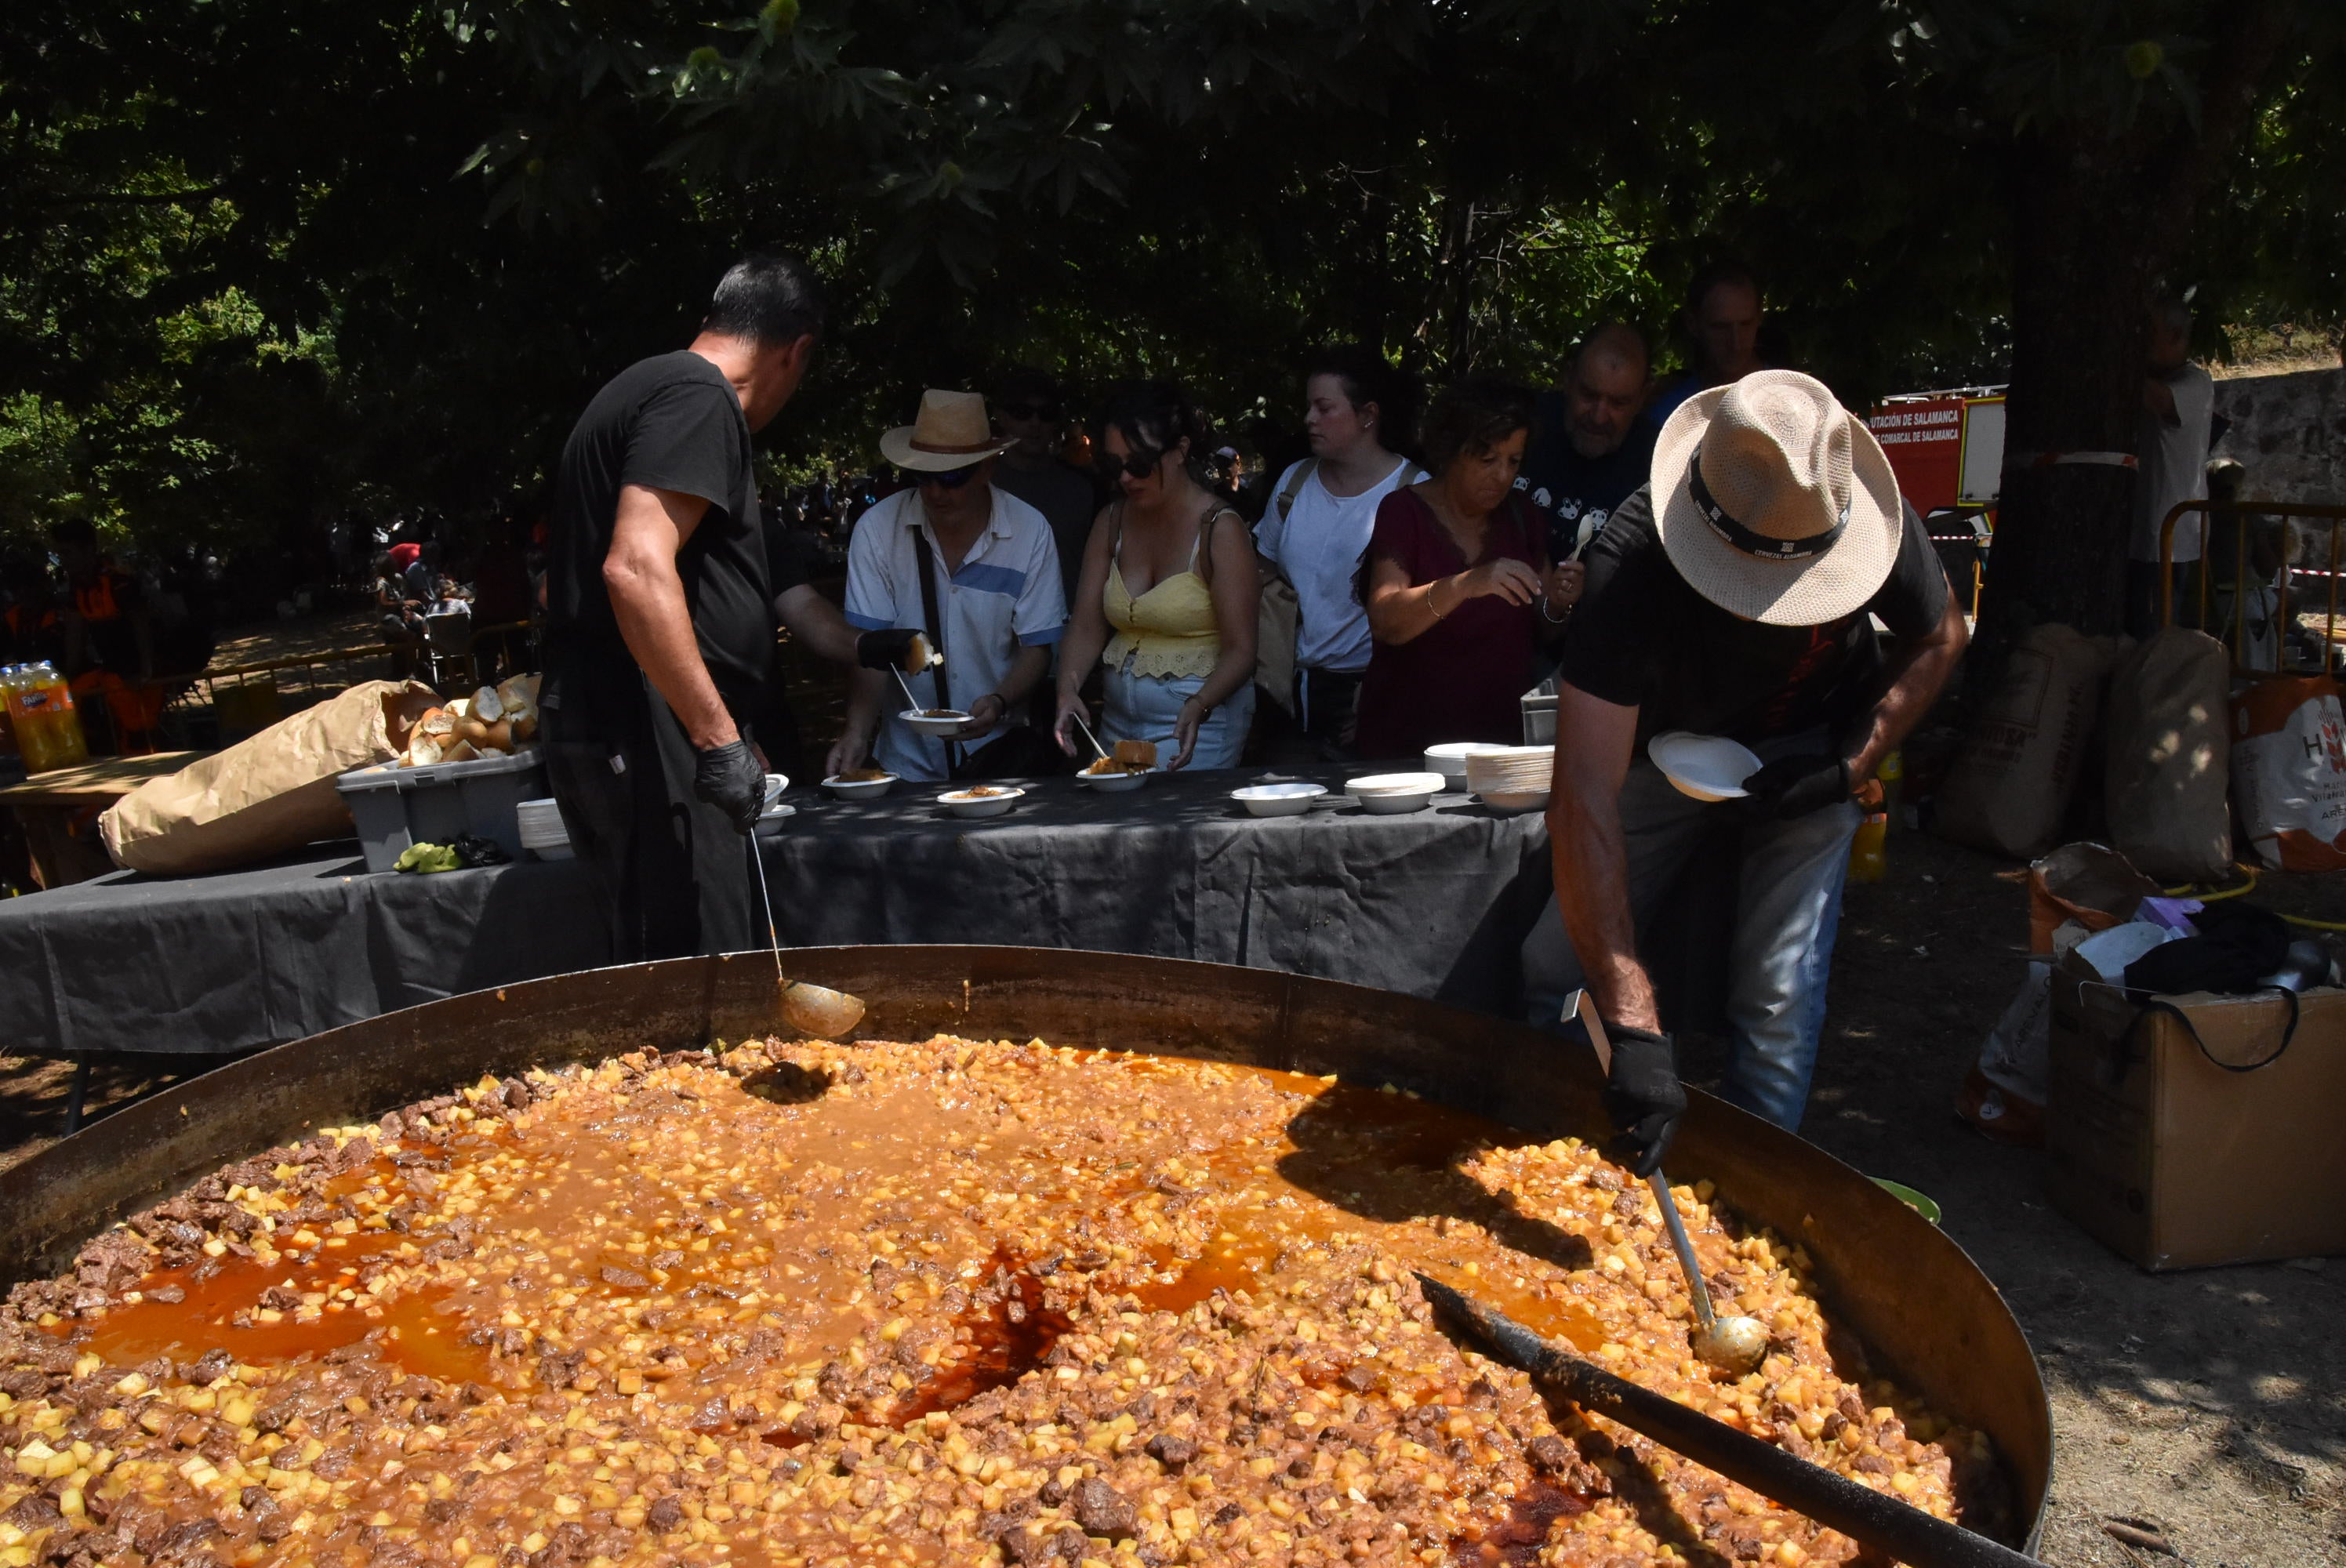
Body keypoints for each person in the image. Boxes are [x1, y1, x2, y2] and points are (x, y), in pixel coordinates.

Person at [1521, 369, 1968, 1164]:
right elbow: (1583, 794)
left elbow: (1942, 636)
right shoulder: (1630, 565)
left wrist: (1848, 763)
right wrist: (1632, 1026)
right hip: (1665, 752)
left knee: (1776, 993)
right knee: (1552, 959)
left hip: (1816, 745)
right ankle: (1550, 1139)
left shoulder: (1875, 520)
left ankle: (1755, 1201)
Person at [541, 250, 824, 962]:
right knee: (701, 976)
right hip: (641, 734)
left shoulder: (648, 388)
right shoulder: (699, 398)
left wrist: (723, 719)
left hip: (634, 721)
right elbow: (634, 568)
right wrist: (716, 739)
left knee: (672, 964)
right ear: (797, 353)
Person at [833, 389, 1068, 782]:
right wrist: (856, 733)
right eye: (923, 477)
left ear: (989, 468)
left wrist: (1000, 700)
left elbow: (1037, 647)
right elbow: (870, 647)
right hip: (904, 760)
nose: (936, 493)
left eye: (952, 478)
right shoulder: (877, 530)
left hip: (999, 757)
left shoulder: (1030, 531)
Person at [1350, 376, 1581, 760]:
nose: (1502, 476)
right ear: (1451, 451)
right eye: (1487, 459)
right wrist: (1465, 585)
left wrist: (1559, 604)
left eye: (1513, 461)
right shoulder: (1404, 511)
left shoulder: (1523, 516)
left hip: (1499, 746)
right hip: (1406, 746)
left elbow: (1545, 625)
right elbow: (1386, 620)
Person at [1053, 383, 1258, 771]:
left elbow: (1243, 651)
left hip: (1197, 723)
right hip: (1118, 724)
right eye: (1114, 466)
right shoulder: (1111, 521)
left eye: (1140, 464)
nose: (1127, 478)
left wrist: (1200, 704)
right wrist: (1068, 690)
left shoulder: (1219, 528)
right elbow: (1085, 626)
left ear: (1180, 451)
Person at [1254, 347, 1425, 758]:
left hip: (1372, 692)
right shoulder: (1294, 481)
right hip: (1285, 691)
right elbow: (1261, 571)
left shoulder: (1415, 491)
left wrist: (1382, 693)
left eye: (1324, 407)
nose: (1309, 418)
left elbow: (1429, 608)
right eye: (1308, 406)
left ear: (1368, 415)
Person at [1516, 324, 1657, 564]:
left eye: (1618, 403)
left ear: (1642, 398)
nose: (1599, 416)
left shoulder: (1660, 467)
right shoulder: (1521, 426)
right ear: (1568, 379)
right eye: (1589, 395)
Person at [2127, 295, 2216, 639]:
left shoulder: (2196, 382)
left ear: (2176, 336)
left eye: (2149, 332)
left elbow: (2162, 401)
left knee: (2155, 639)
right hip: (2139, 535)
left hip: (2168, 541)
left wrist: (2120, 362)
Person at [988, 368, 1098, 605]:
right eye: (1022, 413)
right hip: (996, 625)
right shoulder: (979, 484)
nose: (1034, 423)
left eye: (1046, 414)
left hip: (1068, 622)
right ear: (1001, 416)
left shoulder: (1083, 488)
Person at [1647, 260, 1767, 430]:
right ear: (1692, 324)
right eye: (1720, 327)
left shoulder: (1794, 400)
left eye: (1745, 325)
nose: (1736, 343)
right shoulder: (1670, 416)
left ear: (1760, 317)